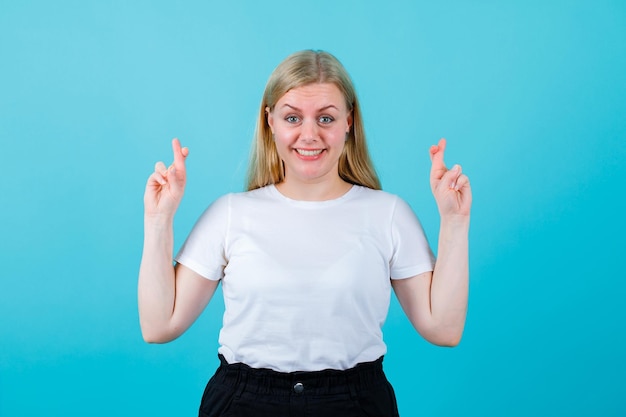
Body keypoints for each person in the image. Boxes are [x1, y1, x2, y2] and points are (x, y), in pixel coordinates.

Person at [138, 50, 471, 417]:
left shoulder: (388, 214)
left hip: (355, 402)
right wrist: (158, 220)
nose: (309, 135)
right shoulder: (230, 214)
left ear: (349, 121)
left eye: (325, 117)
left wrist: (454, 221)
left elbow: (444, 329)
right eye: (292, 117)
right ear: (270, 122)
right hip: (245, 402)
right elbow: (159, 325)